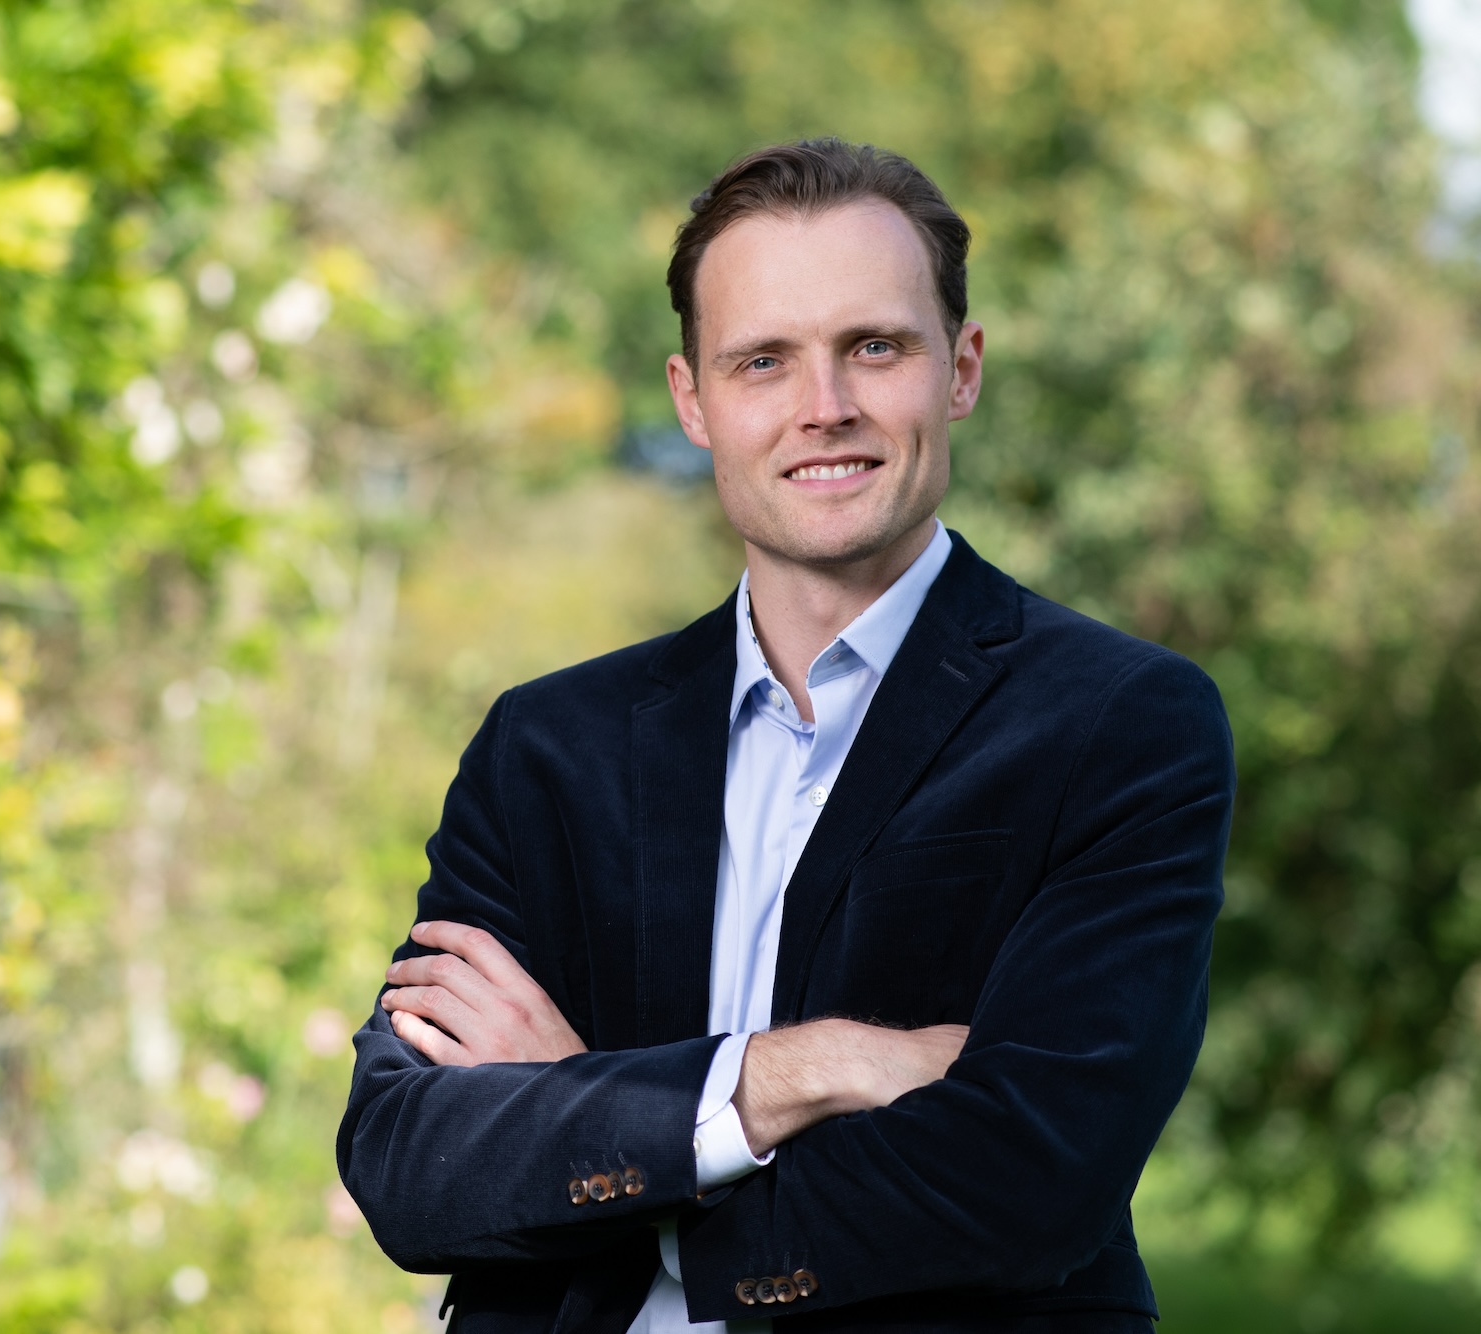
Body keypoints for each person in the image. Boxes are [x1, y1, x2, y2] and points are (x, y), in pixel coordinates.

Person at [336, 138, 1235, 1334]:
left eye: (874, 347)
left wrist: (599, 1119)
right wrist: (801, 1070)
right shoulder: (545, 748)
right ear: (690, 400)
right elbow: (409, 1162)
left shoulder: (1118, 724)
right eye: (762, 360)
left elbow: (1032, 1174)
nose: (824, 407)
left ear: (959, 369)